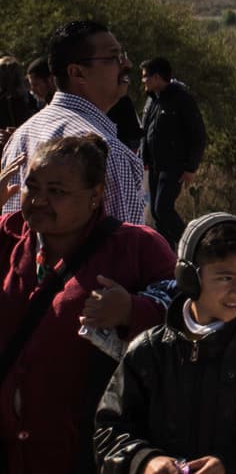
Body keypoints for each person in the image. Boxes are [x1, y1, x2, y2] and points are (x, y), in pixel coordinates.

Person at [95, 212, 236, 473]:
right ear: (188, 278)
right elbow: (109, 430)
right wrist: (144, 461)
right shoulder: (149, 350)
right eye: (226, 278)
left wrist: (234, 462)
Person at [1, 135, 175, 474]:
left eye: (56, 191)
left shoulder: (137, 248)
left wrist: (133, 311)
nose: (38, 200)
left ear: (95, 196)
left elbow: (194, 319)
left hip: (88, 455)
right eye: (31, 187)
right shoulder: (7, 237)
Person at [2, 21, 145, 223]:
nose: (127, 65)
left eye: (123, 56)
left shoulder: (22, 135)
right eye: (114, 57)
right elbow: (125, 242)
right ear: (77, 73)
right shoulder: (106, 151)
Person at [139, 58, 208, 249]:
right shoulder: (152, 99)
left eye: (145, 77)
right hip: (154, 166)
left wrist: (191, 167)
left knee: (163, 209)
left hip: (174, 166)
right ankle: (167, 254)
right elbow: (146, 131)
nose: (143, 81)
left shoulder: (182, 99)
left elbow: (198, 135)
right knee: (156, 212)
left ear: (157, 77)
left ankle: (195, 247)